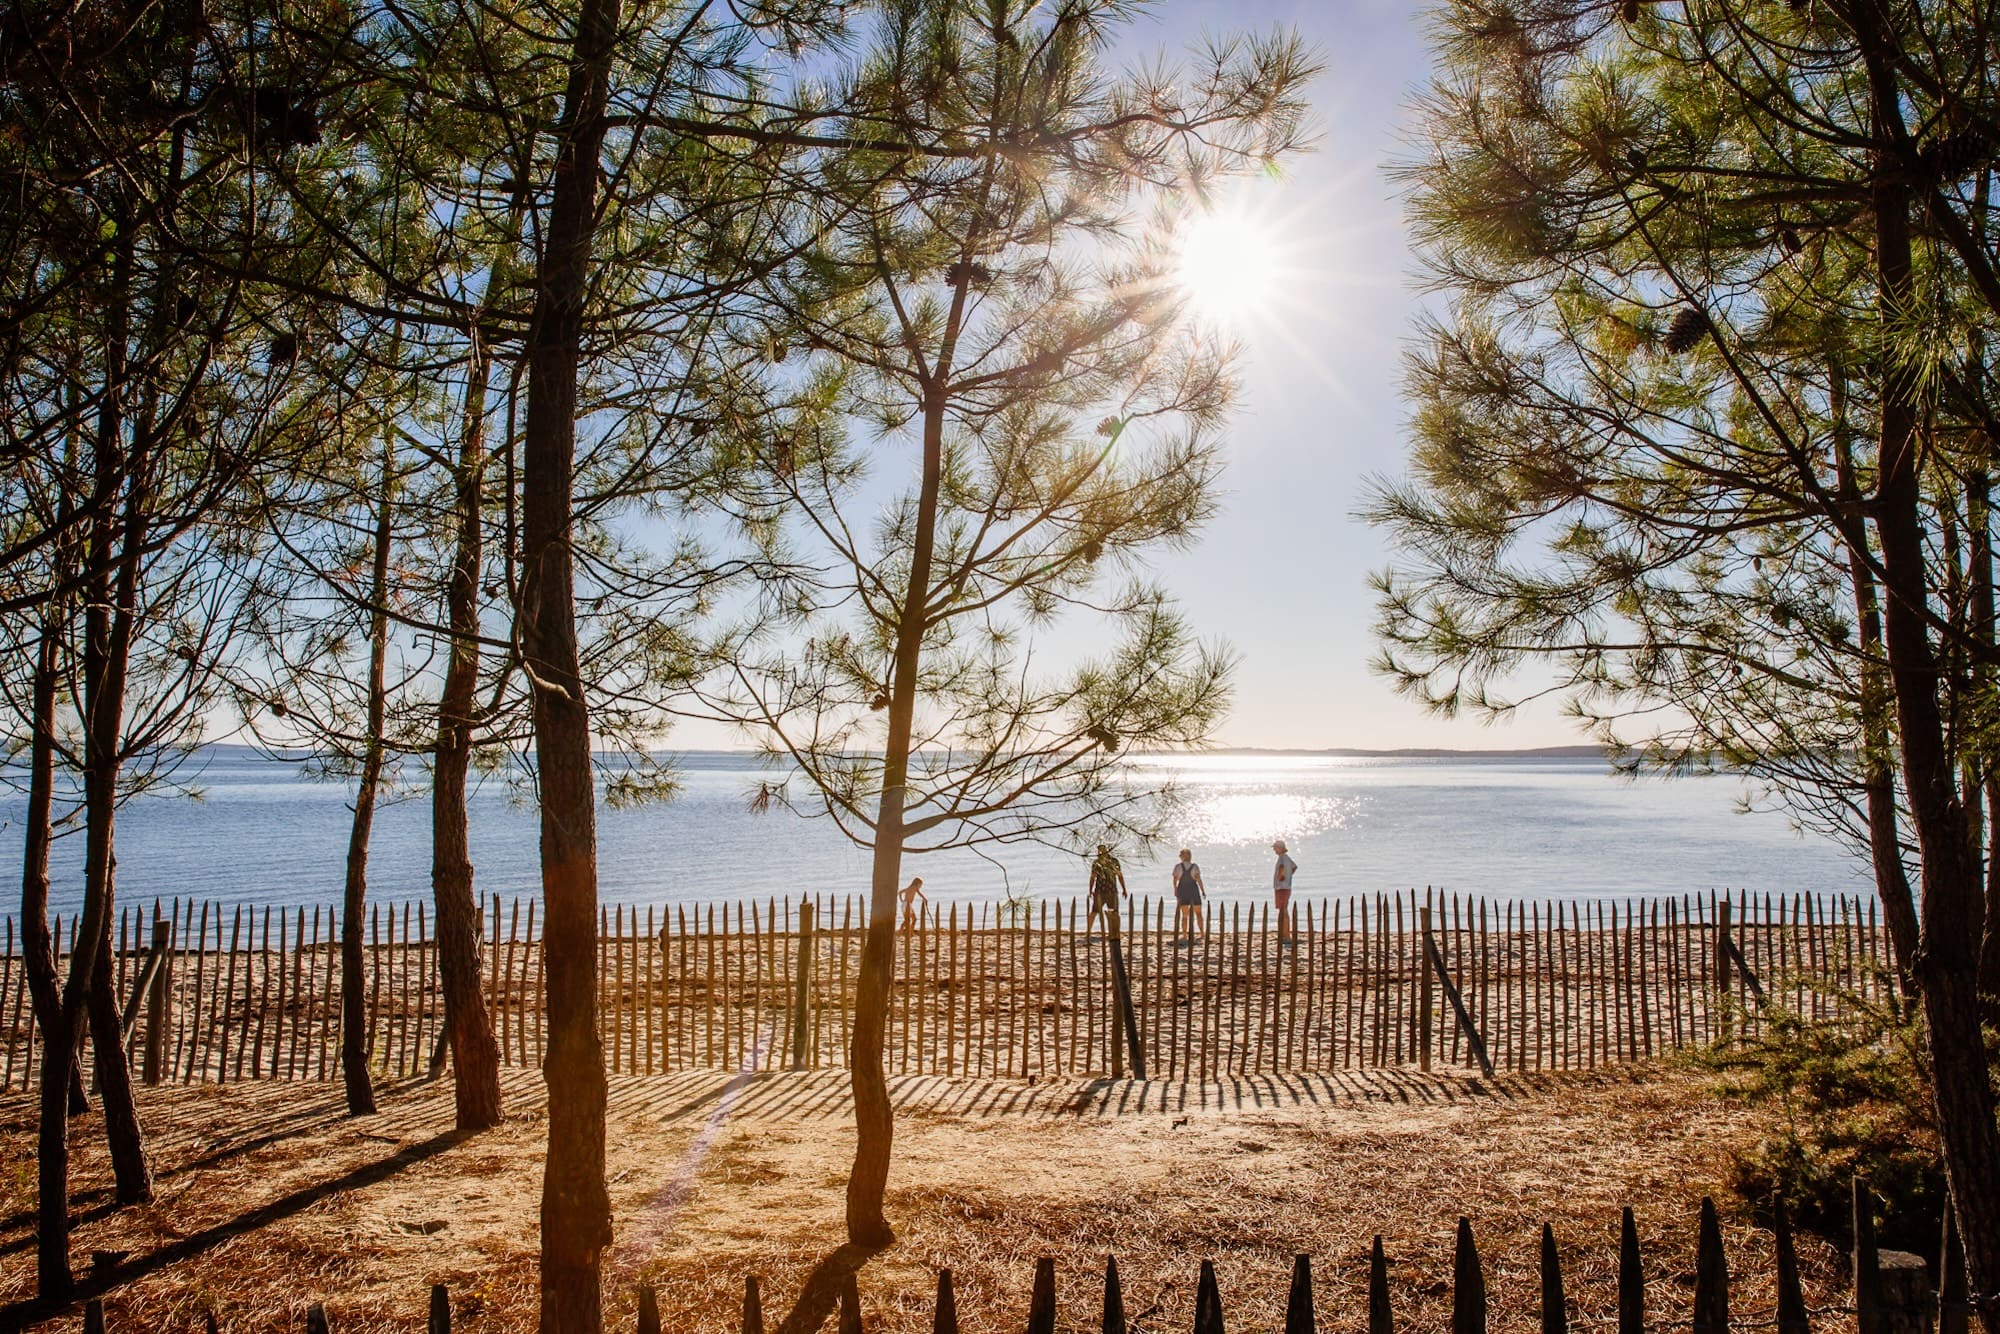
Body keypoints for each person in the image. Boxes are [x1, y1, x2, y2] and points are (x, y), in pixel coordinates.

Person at [1085, 844, 1128, 934]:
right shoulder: (1097, 863)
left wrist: (1124, 888)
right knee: (1094, 912)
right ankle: (1088, 931)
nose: (1099, 853)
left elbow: (1120, 876)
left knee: (1114, 913)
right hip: (1101, 891)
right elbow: (1093, 877)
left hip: (1111, 890)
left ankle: (1115, 931)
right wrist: (1090, 889)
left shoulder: (1113, 861)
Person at [1171, 848, 1206, 943]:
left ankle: (1185, 935)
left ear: (1184, 856)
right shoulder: (1195, 867)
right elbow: (1198, 880)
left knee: (1184, 915)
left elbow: (1175, 880)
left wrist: (1175, 890)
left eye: (1181, 855)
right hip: (1193, 890)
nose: (1179, 856)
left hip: (1182, 890)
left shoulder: (1178, 867)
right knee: (1198, 913)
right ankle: (1202, 933)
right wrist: (1203, 891)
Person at [1272, 839, 1298, 948]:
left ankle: (1286, 935)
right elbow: (1294, 867)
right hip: (1285, 886)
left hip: (1281, 888)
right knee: (1283, 910)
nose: (1274, 850)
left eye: (1275, 848)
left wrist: (1281, 877)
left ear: (1280, 848)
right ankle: (1284, 934)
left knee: (1283, 911)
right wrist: (1289, 876)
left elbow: (1282, 868)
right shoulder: (1287, 858)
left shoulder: (1282, 858)